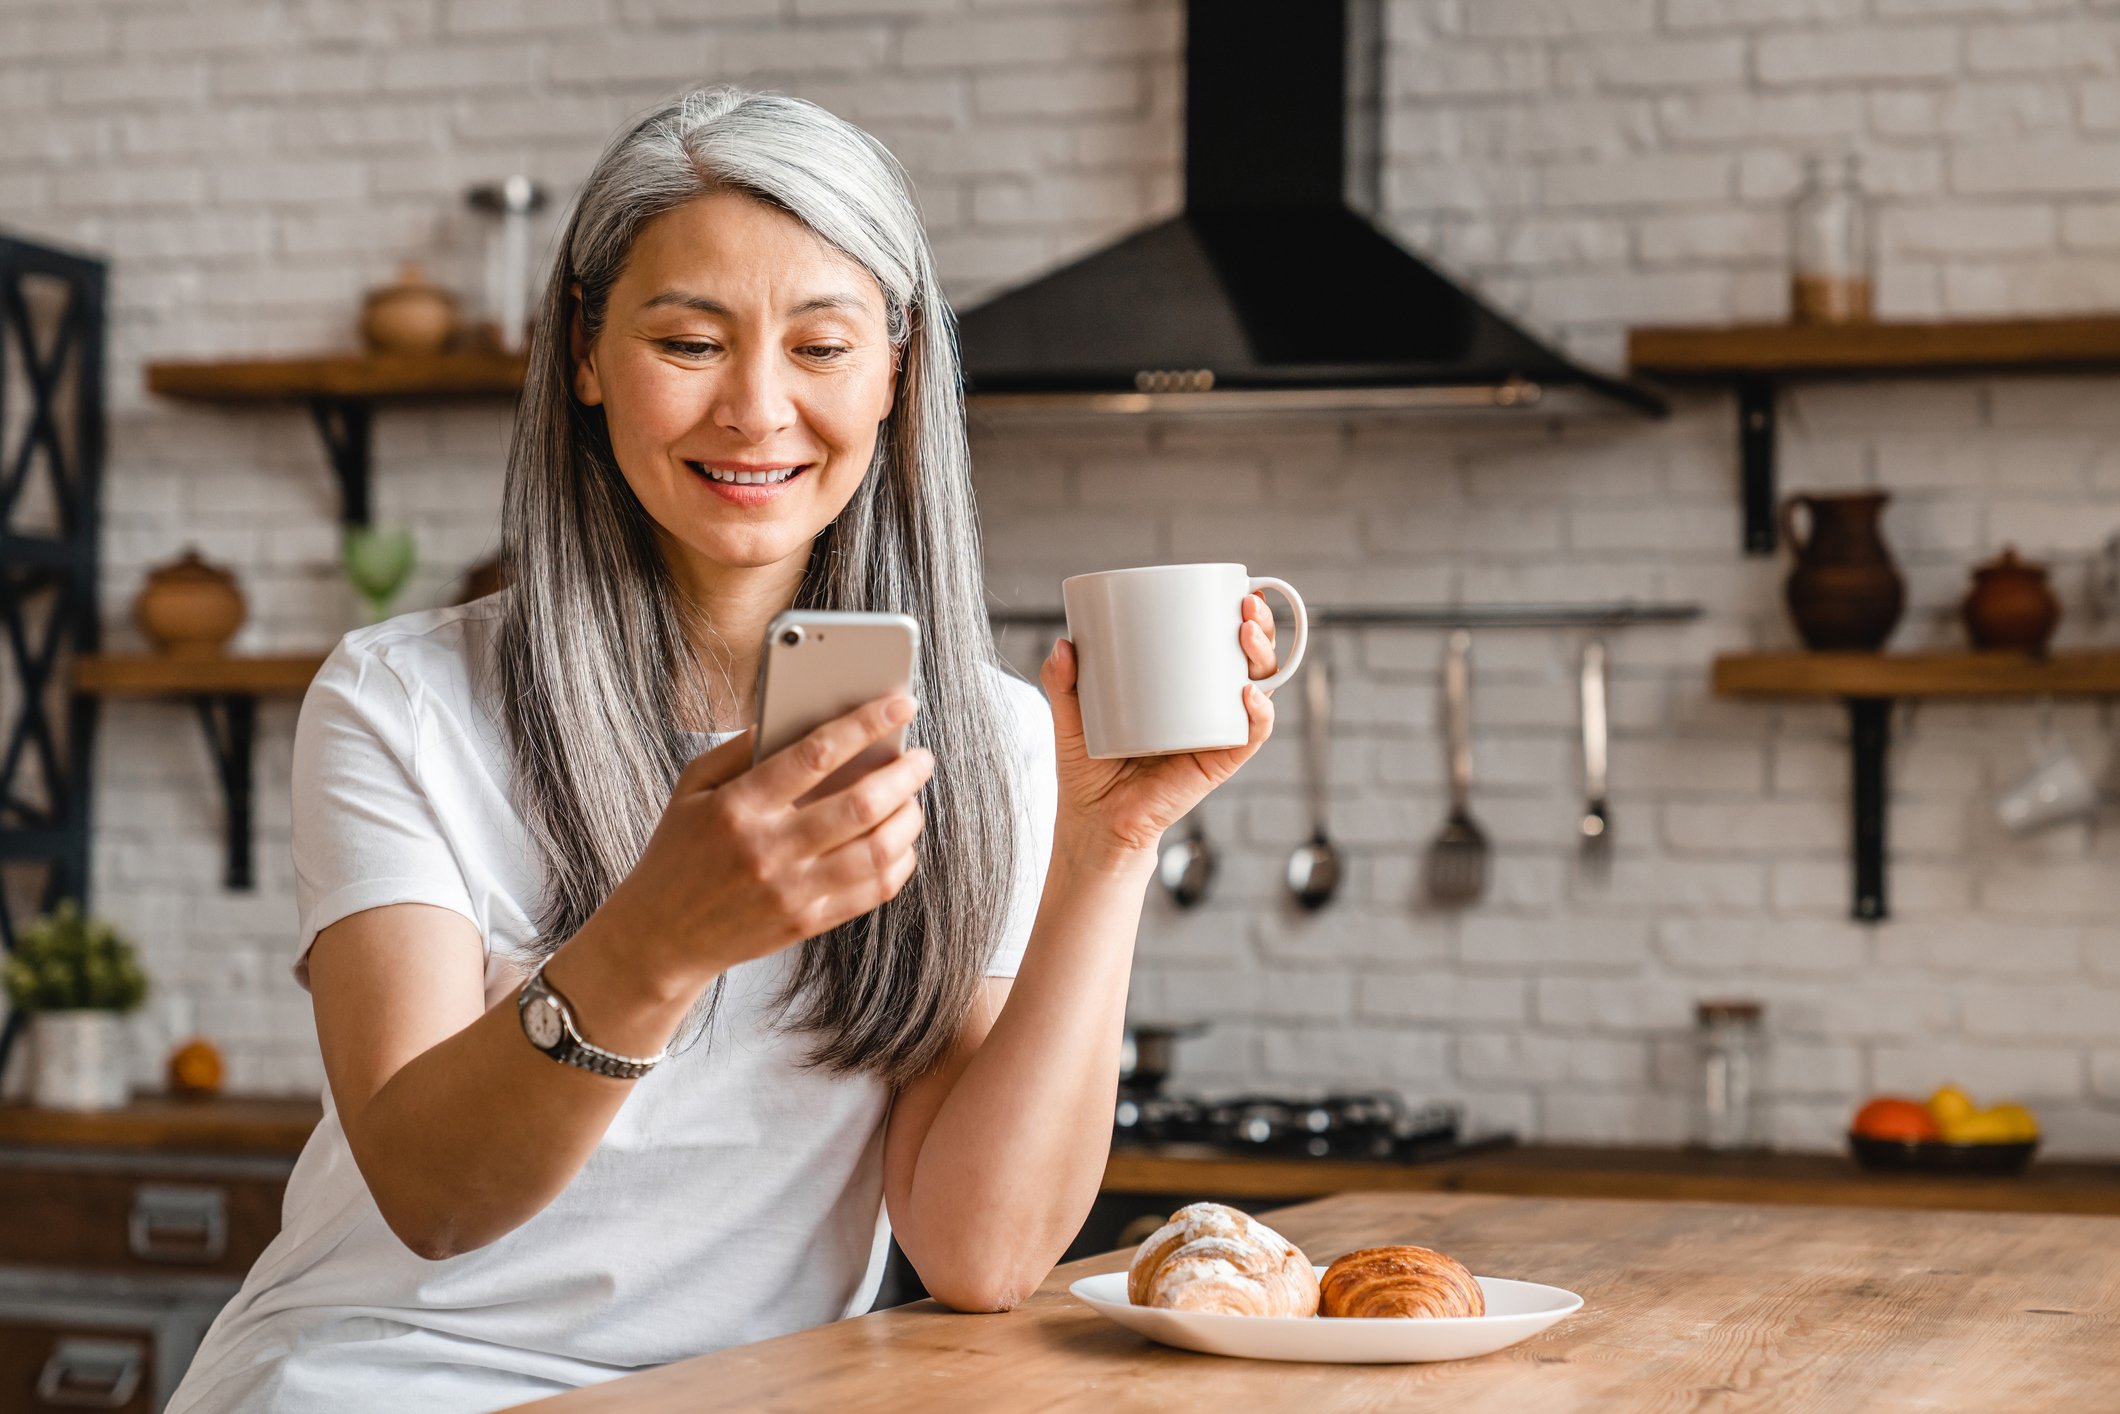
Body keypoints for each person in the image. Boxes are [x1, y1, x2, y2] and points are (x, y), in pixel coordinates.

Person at [166, 85, 1284, 1412]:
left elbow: (980, 1250)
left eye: (822, 346)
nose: (757, 410)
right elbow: (433, 1194)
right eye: (691, 339)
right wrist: (661, 937)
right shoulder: (403, 700)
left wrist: (1109, 847)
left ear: (897, 371)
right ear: (583, 351)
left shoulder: (981, 737)